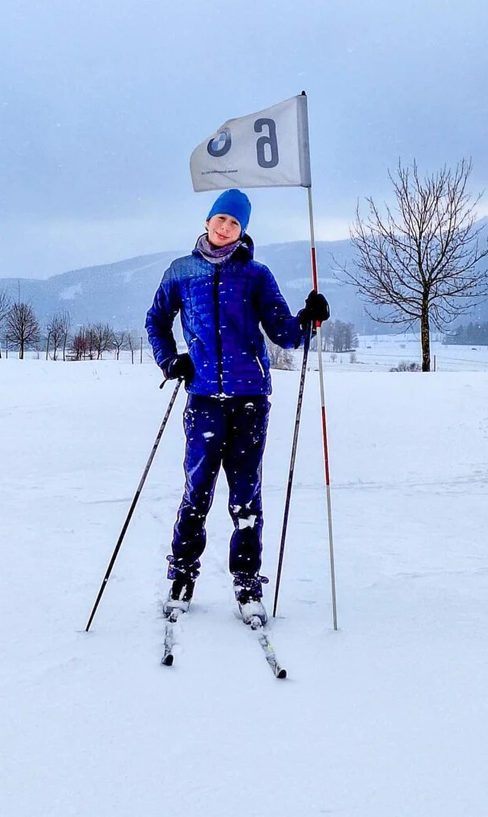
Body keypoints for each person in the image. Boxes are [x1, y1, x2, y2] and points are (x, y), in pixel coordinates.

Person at [145, 189, 329, 625]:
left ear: (243, 230)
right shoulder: (182, 271)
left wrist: (309, 319)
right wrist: (171, 360)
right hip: (204, 398)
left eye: (234, 223)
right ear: (208, 221)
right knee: (197, 492)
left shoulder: (255, 275)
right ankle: (182, 577)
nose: (225, 228)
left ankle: (247, 583)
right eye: (221, 219)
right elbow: (156, 320)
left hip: (249, 399)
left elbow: (284, 332)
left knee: (246, 496)